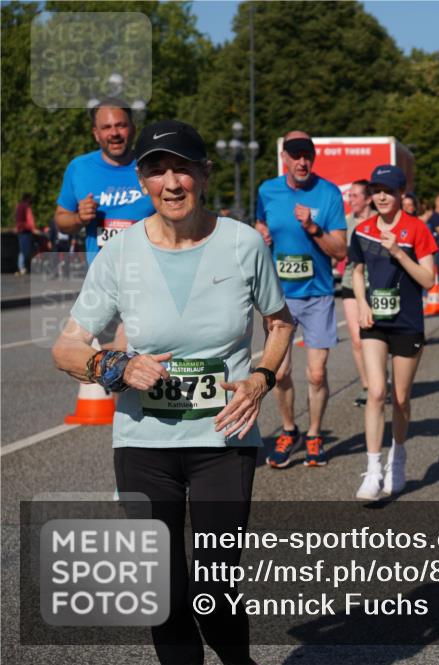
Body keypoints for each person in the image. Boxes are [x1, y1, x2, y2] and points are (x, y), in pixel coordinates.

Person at [51, 119, 293, 665]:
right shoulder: (120, 254)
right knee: (161, 596)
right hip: (142, 446)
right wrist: (113, 365)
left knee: (215, 595)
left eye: (182, 167)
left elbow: (280, 323)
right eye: (157, 170)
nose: (172, 181)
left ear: (204, 174)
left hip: (223, 441)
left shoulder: (243, 244)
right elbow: (66, 348)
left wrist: (260, 379)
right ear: (142, 181)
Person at [255, 132, 347, 468]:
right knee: (279, 374)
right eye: (295, 155)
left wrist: (313, 228)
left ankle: (314, 434)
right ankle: (289, 429)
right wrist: (260, 233)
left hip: (318, 295)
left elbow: (341, 251)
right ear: (285, 159)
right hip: (279, 298)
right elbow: (261, 224)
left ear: (313, 157)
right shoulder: (267, 190)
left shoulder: (329, 193)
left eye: (307, 155)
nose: (302, 161)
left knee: (317, 374)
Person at [349, 164, 437, 500]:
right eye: (376, 190)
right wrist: (361, 302)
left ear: (401, 194)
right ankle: (373, 469)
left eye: (388, 190)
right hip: (374, 322)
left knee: (400, 398)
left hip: (408, 321)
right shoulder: (364, 229)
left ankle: (397, 458)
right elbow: (357, 271)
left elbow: (429, 280)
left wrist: (399, 251)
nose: (381, 196)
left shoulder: (417, 230)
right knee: (375, 392)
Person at [54, 97, 155, 264]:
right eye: (106, 127)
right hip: (102, 278)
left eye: (121, 125)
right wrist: (79, 218)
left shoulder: (153, 166)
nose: (114, 133)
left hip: (150, 273)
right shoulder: (79, 168)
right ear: (96, 134)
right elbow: (61, 220)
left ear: (133, 128)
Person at [343, 179, 377, 407]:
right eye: (350, 195)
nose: (351, 200)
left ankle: (379, 379)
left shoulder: (379, 221)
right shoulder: (345, 223)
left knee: (374, 338)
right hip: (350, 282)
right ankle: (368, 386)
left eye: (355, 195)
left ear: (368, 198)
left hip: (377, 285)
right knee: (357, 339)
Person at [14, 193, 38, 275]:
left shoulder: (20, 206)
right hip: (25, 230)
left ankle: (23, 267)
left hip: (22, 230)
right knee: (25, 250)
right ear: (27, 199)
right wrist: (32, 228)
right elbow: (27, 219)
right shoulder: (25, 207)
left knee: (23, 250)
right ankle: (22, 267)